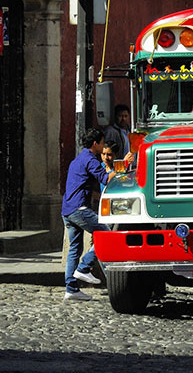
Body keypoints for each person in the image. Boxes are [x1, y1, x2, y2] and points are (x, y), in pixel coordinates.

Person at [62, 127, 113, 301]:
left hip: (67, 210)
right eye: (102, 143)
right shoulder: (90, 159)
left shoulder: (77, 159)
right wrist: (123, 168)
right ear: (95, 144)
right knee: (106, 236)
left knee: (74, 249)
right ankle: (84, 268)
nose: (103, 146)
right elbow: (105, 179)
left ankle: (71, 289)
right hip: (79, 209)